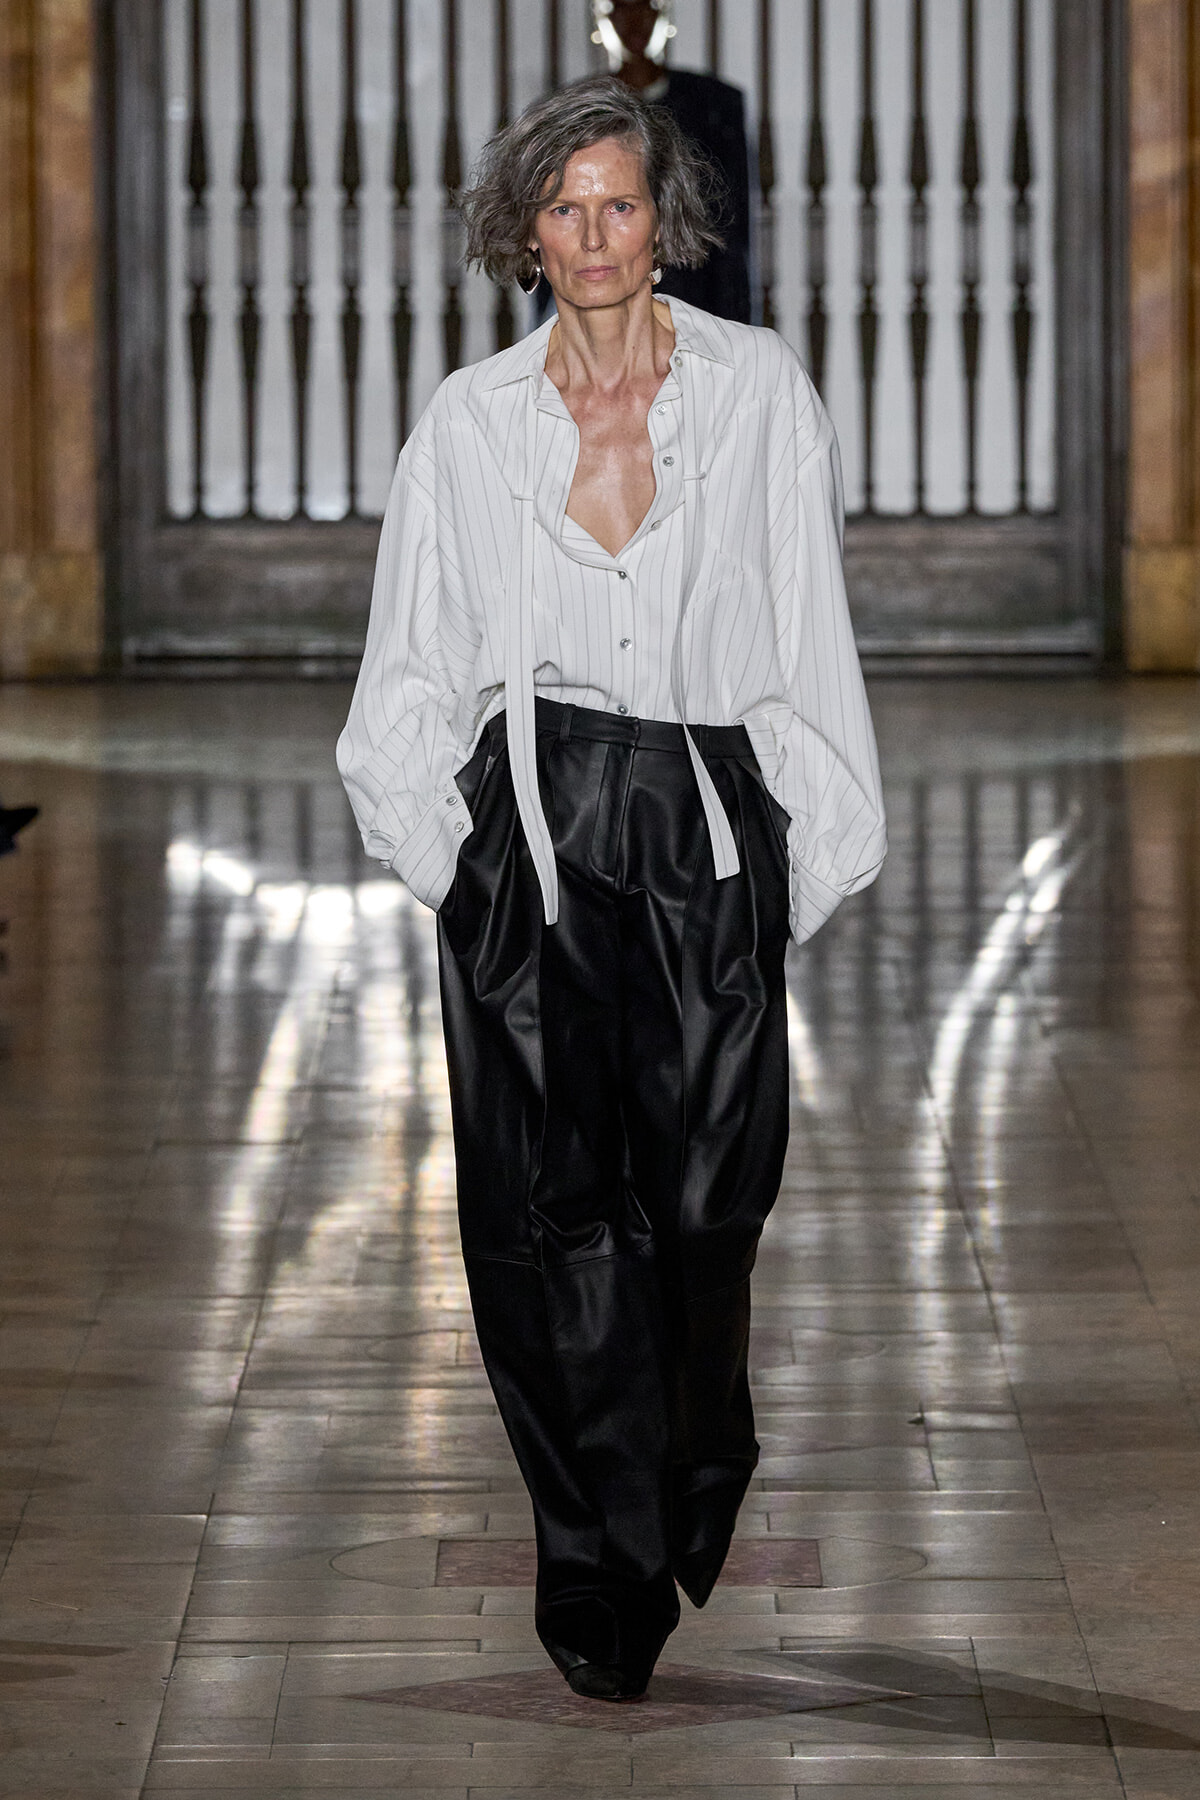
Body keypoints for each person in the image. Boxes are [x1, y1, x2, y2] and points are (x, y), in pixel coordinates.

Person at [338, 77, 885, 1703]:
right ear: (521, 230)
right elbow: (411, 669)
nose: (592, 235)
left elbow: (805, 632)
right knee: (545, 1218)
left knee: (708, 1202)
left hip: (707, 823)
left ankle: (695, 1439)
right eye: (561, 206)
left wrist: (801, 863)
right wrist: (460, 877)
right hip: (531, 831)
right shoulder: (470, 421)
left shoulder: (757, 393)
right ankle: (597, 1560)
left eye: (620, 204)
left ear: (669, 224)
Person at [589, 0, 752, 323]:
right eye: (623, 9)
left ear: (661, 15)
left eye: (645, 8)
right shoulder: (583, 106)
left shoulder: (713, 104)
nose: (635, 22)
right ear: (605, 18)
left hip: (699, 296)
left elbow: (733, 224)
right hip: (604, 294)